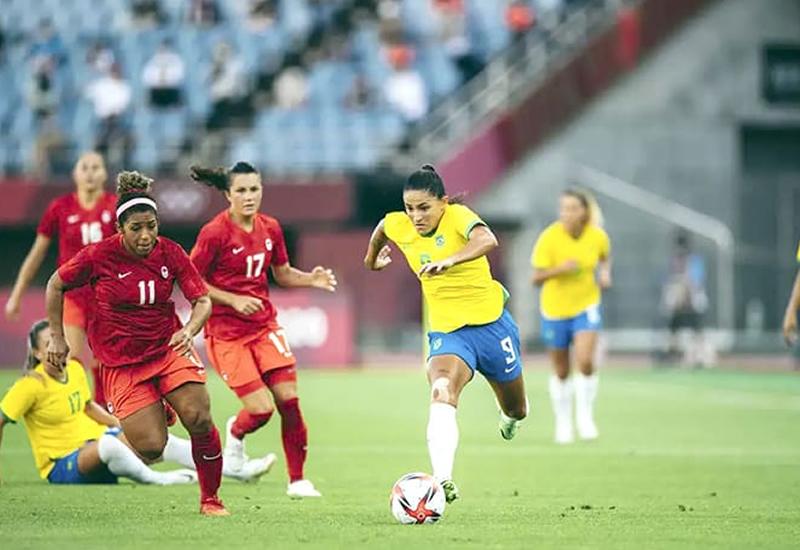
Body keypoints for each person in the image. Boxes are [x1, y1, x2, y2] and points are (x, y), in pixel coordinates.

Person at [44, 171, 227, 515]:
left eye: (151, 226)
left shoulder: (170, 253)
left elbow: (202, 300)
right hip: (122, 363)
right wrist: (57, 337)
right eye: (136, 228)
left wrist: (189, 330)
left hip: (168, 349)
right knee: (151, 447)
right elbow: (55, 284)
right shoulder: (98, 256)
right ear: (120, 228)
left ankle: (211, 499)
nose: (145, 236)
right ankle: (162, 404)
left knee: (199, 417)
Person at [363, 164, 528, 504]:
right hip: (449, 332)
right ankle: (441, 480)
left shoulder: (459, 217)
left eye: (424, 207)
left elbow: (487, 239)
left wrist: (451, 260)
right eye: (410, 208)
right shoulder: (399, 224)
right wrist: (371, 260)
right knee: (442, 390)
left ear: (443, 202)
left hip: (492, 326)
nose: (415, 216)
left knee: (517, 410)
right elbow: (382, 228)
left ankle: (509, 418)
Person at [188, 162, 337, 499]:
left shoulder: (270, 227)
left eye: (254, 189)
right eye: (241, 190)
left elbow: (282, 273)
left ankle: (297, 481)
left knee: (289, 400)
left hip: (263, 327)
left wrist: (310, 279)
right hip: (226, 334)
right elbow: (191, 279)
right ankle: (236, 433)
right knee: (261, 410)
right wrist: (233, 300)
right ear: (228, 195)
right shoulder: (214, 233)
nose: (249, 196)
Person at [0, 320, 275, 486]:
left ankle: (237, 471)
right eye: (47, 343)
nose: (56, 348)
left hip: (98, 445)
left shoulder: (74, 369)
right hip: (63, 464)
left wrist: (121, 426)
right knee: (109, 446)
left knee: (163, 441)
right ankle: (159, 480)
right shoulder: (30, 385)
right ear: (37, 352)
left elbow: (87, 407)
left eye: (57, 340)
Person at [5, 152, 117, 407]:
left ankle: (105, 418)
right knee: (72, 357)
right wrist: (17, 295)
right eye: (84, 167)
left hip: (106, 295)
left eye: (96, 167)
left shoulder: (113, 206)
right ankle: (76, 413)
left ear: (104, 174)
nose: (90, 173)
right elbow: (37, 253)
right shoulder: (60, 207)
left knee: (103, 360)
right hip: (72, 295)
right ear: (75, 174)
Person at [531, 189, 611, 444]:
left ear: (584, 212)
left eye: (572, 208)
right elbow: (535, 278)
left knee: (585, 361)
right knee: (562, 370)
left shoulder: (597, 236)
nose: (566, 213)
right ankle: (563, 423)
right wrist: (559, 269)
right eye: (563, 208)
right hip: (555, 310)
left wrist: (605, 274)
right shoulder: (550, 237)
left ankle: (585, 418)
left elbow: (604, 257)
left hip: (586, 306)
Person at [659, 232, 710, 367]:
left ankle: (699, 358)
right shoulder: (674, 261)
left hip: (692, 303)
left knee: (697, 330)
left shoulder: (694, 262)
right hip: (678, 304)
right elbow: (669, 283)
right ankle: (673, 356)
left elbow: (696, 284)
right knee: (674, 329)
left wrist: (686, 293)